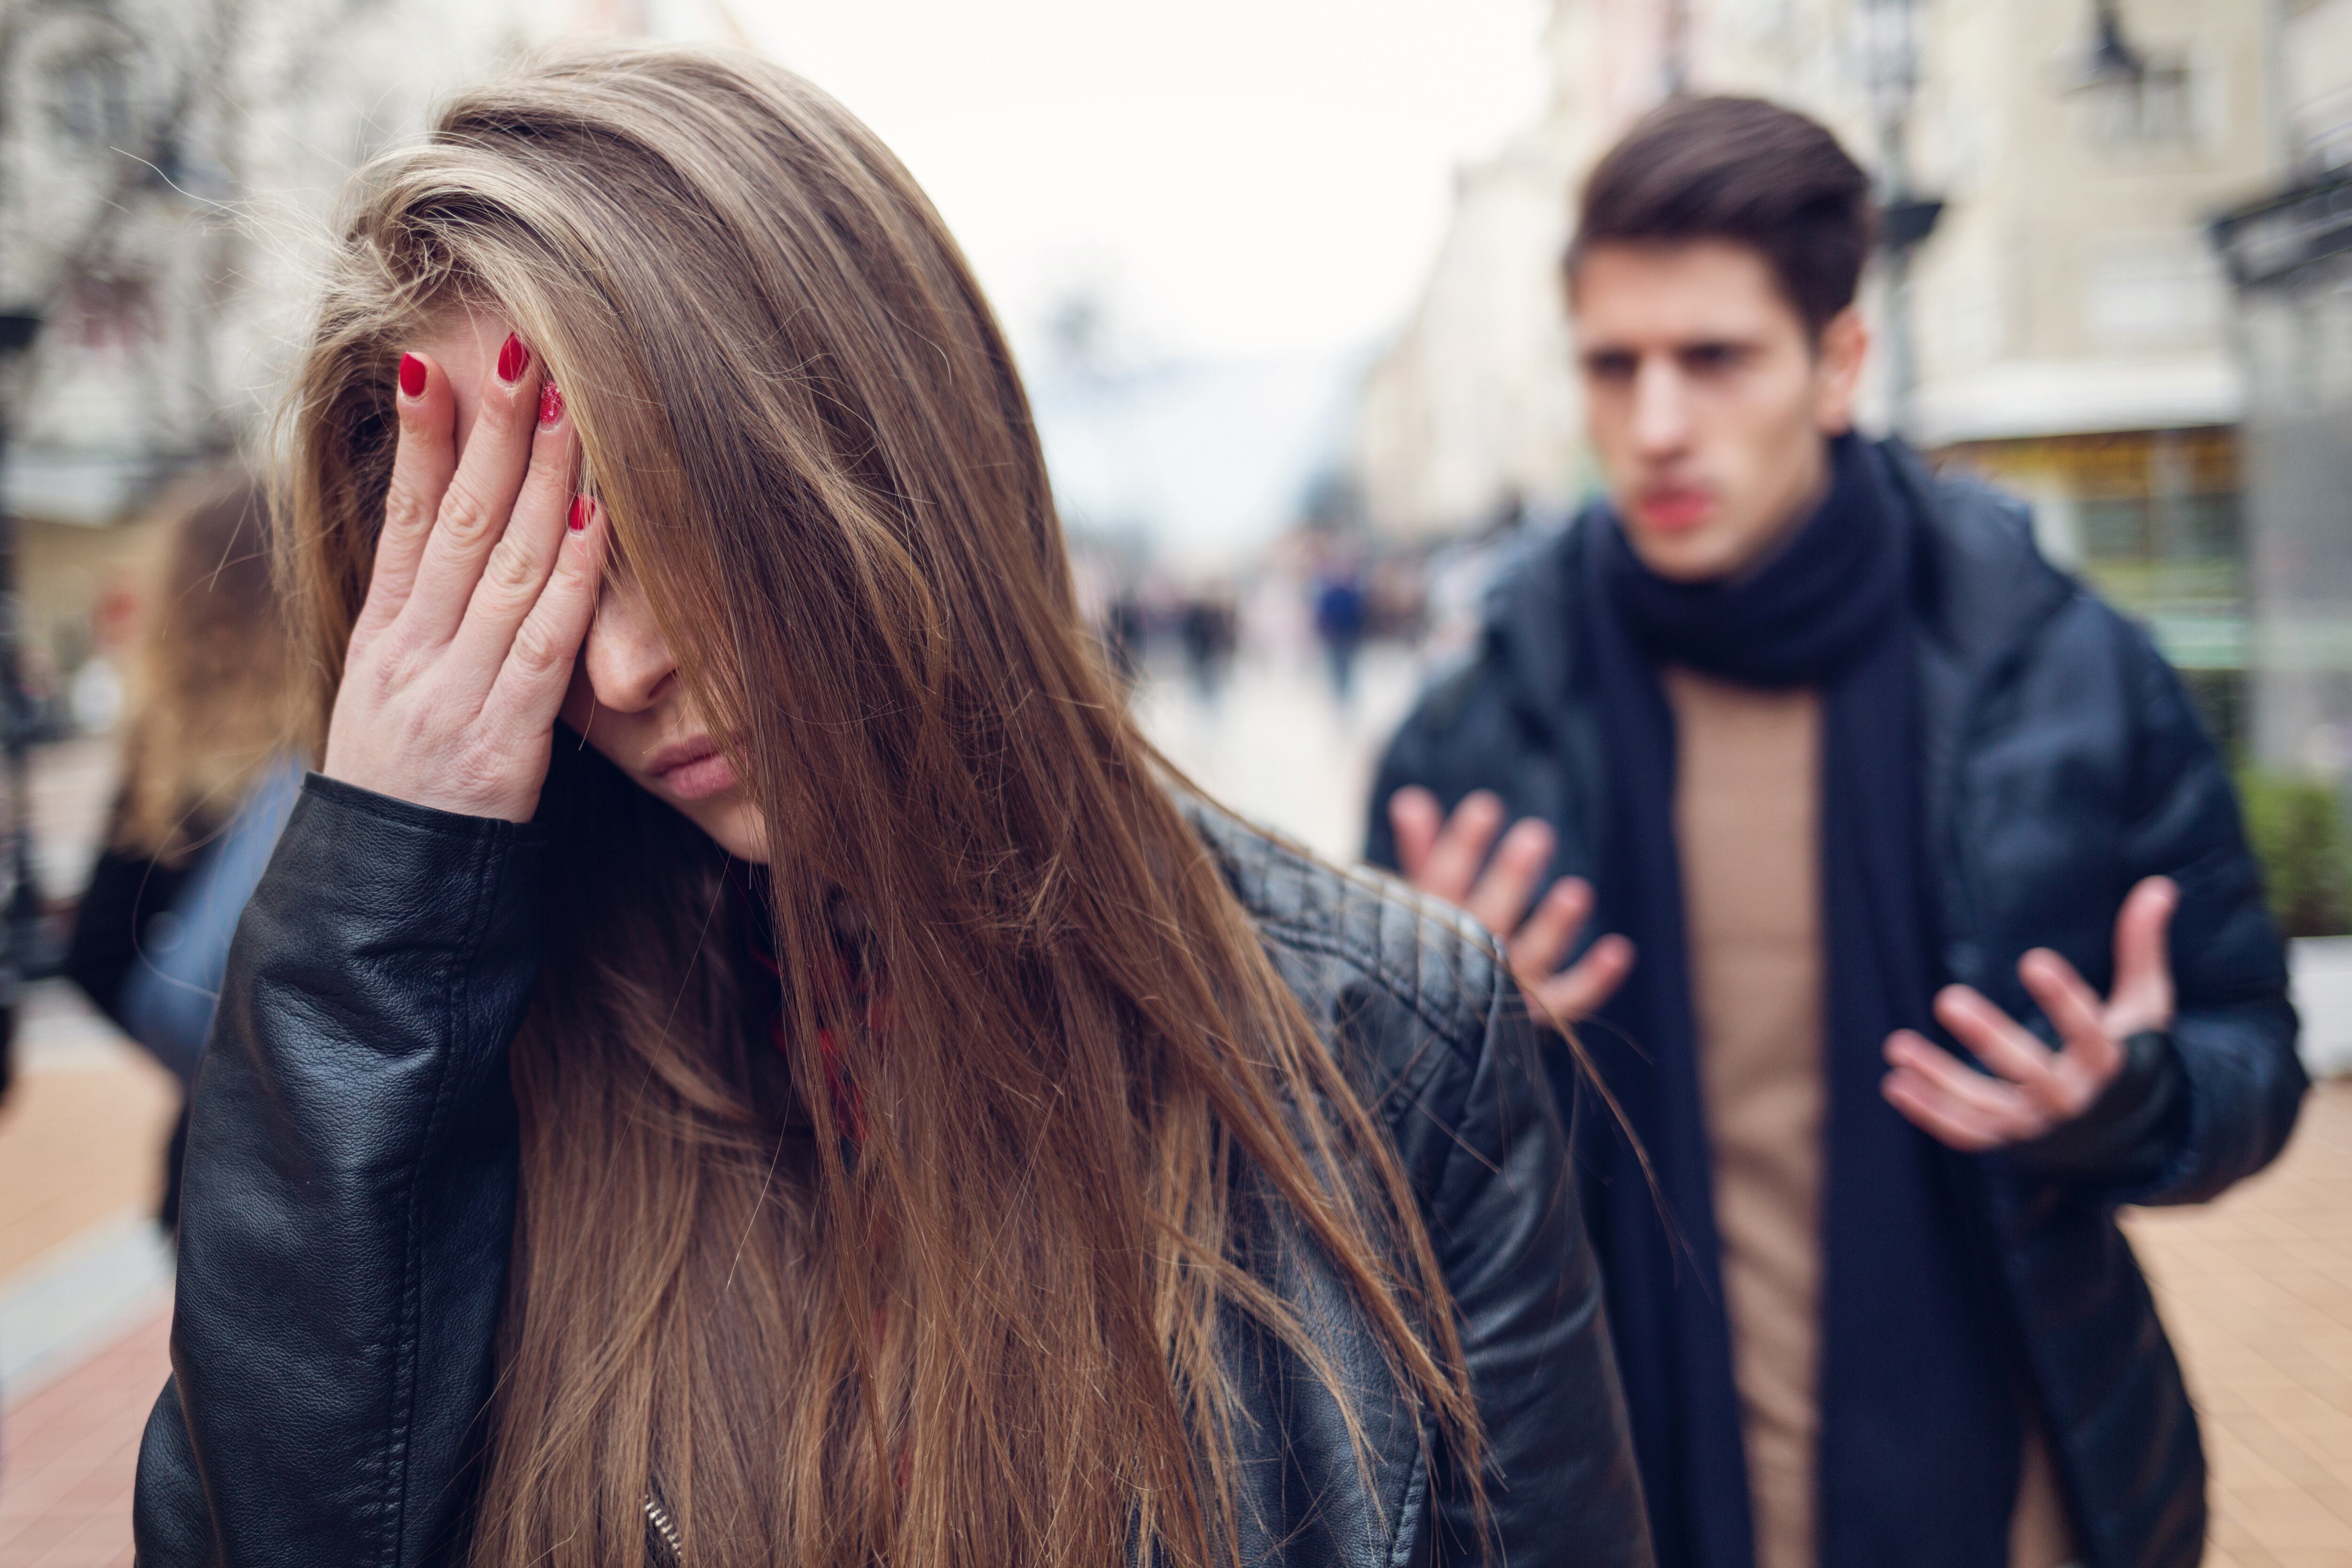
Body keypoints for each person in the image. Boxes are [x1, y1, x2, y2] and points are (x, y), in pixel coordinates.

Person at [132, 45, 1650, 1568]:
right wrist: (381, 880)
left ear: (881, 444)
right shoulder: (464, 1069)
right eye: (520, 573)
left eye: (671, 520)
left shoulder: (1392, 1048)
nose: (624, 660)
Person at [1367, 96, 2304, 1568]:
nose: (1658, 421)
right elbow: (1360, 1186)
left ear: (1839, 363)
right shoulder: (1478, 738)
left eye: (1717, 359)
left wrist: (2125, 1097)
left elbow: (2256, 1047)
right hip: (1631, 1500)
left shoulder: (2066, 675)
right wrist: (1452, 1040)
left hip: (2009, 1498)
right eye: (1616, 366)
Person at [63, 475, 302, 1230]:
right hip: (350, 1161)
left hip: (213, 1163)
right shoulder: (346, 735)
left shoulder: (166, 756)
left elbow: (95, 954)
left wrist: (210, 1063)